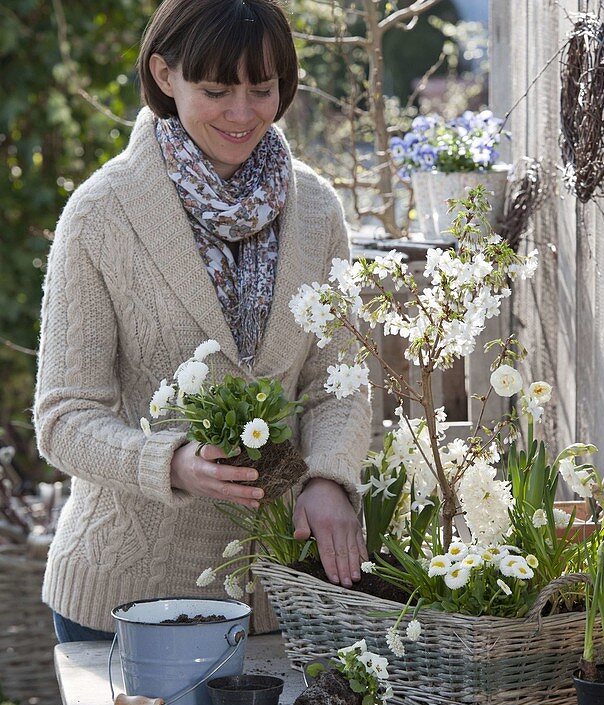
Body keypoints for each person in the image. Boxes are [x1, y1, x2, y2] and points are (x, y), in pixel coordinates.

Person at [35, 0, 372, 643]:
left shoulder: (317, 213)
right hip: (124, 601)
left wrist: (327, 475)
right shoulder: (100, 216)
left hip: (281, 597)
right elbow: (64, 418)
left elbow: (340, 380)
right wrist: (172, 463)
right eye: (216, 90)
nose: (242, 113)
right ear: (166, 76)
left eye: (262, 89)